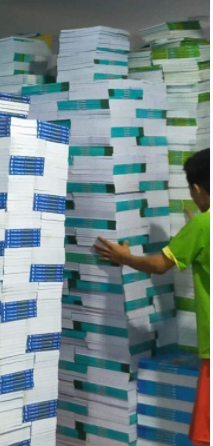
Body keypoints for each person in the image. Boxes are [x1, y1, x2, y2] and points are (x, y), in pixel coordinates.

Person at [94, 148, 209, 446]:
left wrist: (124, 257)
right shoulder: (201, 226)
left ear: (197, 189)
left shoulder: (202, 226)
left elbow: (159, 265)